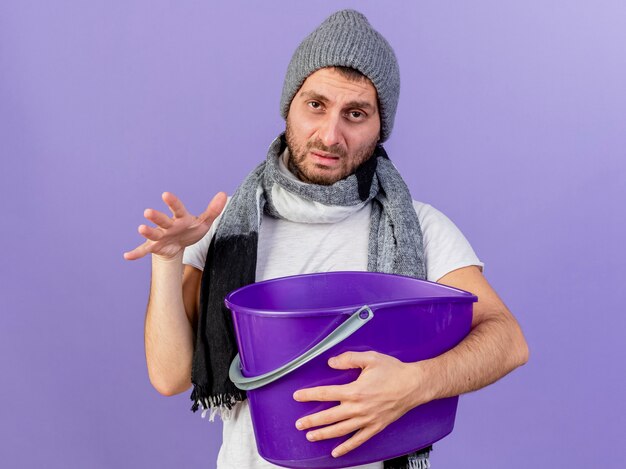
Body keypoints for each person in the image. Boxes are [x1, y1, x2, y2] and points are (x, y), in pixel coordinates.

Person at [124, 9, 529, 469]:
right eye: (316, 105)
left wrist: (417, 384)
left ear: (380, 128)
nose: (330, 135)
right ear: (289, 107)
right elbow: (170, 375)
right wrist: (169, 260)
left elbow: (508, 340)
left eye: (355, 114)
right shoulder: (228, 229)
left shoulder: (420, 228)